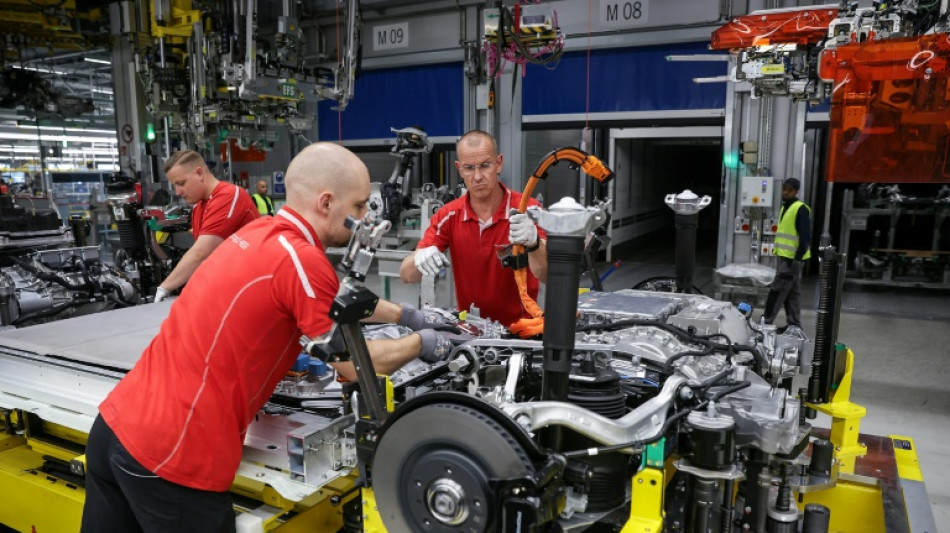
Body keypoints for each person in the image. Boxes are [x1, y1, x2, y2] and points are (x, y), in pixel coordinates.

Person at [80, 142, 456, 533]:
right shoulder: (302, 260)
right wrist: (426, 343)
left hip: (115, 427)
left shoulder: (263, 233)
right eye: (360, 206)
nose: (363, 218)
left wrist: (409, 315)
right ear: (326, 203)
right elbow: (355, 364)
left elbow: (333, 299)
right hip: (173, 454)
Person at [399, 130, 548, 327]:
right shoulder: (448, 216)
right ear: (459, 169)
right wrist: (419, 260)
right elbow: (407, 275)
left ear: (499, 163)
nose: (477, 176)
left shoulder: (527, 210)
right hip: (471, 332)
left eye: (485, 165)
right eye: (469, 168)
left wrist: (535, 243)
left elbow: (547, 274)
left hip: (522, 331)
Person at [153, 151, 260, 302]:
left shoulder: (228, 195)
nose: (178, 192)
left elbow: (201, 252)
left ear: (199, 173)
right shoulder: (198, 208)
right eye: (174, 186)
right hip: (228, 291)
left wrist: (165, 287)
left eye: (181, 183)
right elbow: (205, 261)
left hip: (252, 288)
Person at [764, 177, 812, 329]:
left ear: (796, 192)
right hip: (786, 257)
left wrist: (796, 259)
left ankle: (766, 321)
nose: (785, 192)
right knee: (792, 293)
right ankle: (794, 324)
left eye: (789, 190)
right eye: (784, 189)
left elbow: (805, 236)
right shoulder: (785, 207)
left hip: (791, 259)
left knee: (777, 290)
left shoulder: (801, 208)